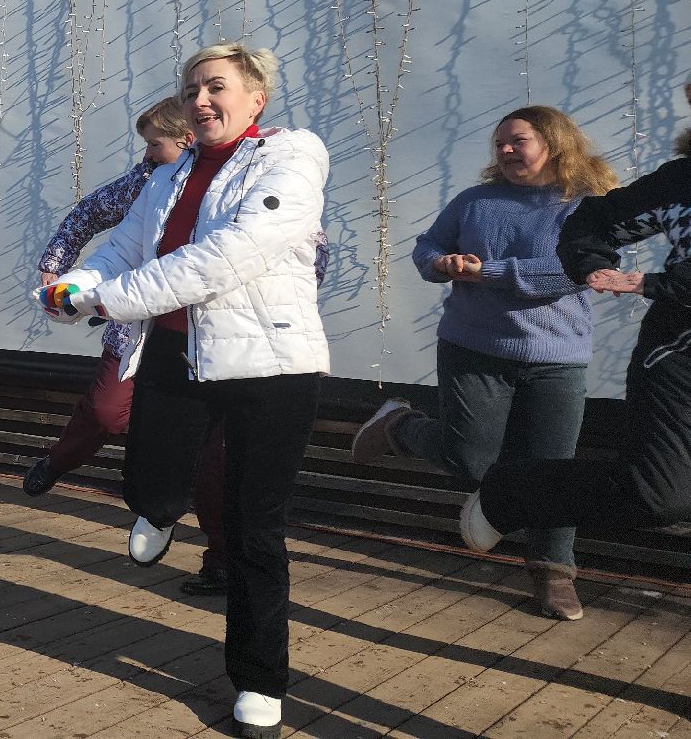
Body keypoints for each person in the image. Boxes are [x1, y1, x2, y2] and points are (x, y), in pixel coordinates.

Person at [46, 42, 329, 739]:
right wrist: (79, 285)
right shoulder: (167, 177)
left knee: (252, 527)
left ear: (256, 98)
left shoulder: (291, 157)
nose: (201, 100)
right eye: (192, 89)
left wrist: (111, 301)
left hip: (271, 362)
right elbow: (125, 248)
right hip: (176, 349)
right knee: (149, 478)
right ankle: (157, 508)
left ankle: (260, 681)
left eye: (216, 86)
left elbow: (226, 256)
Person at [352, 107, 615, 621]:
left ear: (556, 143)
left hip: (556, 358)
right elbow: (428, 246)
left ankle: (552, 571)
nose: (506, 152)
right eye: (500, 145)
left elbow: (582, 271)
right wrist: (439, 263)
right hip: (473, 348)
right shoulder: (476, 201)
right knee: (470, 460)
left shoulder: (588, 205)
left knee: (553, 470)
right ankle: (399, 426)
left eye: (517, 141)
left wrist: (487, 271)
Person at [463, 79, 691, 555]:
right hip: (678, 356)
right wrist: (597, 267)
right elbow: (592, 223)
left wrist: (653, 283)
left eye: (517, 141)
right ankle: (510, 492)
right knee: (657, 498)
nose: (506, 150)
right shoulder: (680, 181)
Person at [23, 97, 240, 593]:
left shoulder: (249, 180)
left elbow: (301, 251)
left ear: (186, 139)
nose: (145, 155)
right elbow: (93, 219)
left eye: (152, 145)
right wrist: (63, 272)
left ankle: (221, 556)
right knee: (106, 412)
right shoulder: (148, 181)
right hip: (140, 329)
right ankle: (60, 462)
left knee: (216, 457)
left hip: (219, 343)